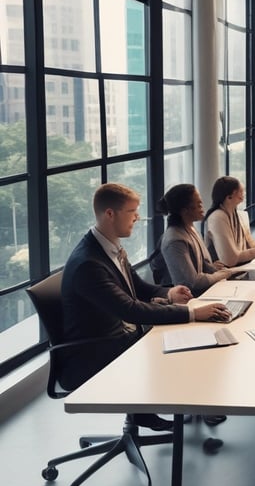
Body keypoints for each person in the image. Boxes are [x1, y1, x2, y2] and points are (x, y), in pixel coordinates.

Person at [61, 183, 230, 430]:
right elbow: (130, 309)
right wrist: (191, 312)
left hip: (119, 336)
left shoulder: (110, 247)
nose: (138, 218)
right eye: (132, 211)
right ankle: (187, 408)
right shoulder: (89, 264)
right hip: (97, 352)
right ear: (110, 214)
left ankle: (153, 412)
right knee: (185, 344)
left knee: (188, 336)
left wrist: (169, 292)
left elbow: (139, 288)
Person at [158, 184, 235, 295]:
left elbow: (203, 264)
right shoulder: (175, 240)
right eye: (198, 204)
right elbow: (191, 283)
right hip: (193, 300)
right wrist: (221, 275)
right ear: (185, 211)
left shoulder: (190, 228)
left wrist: (220, 270)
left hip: (208, 291)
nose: (203, 207)